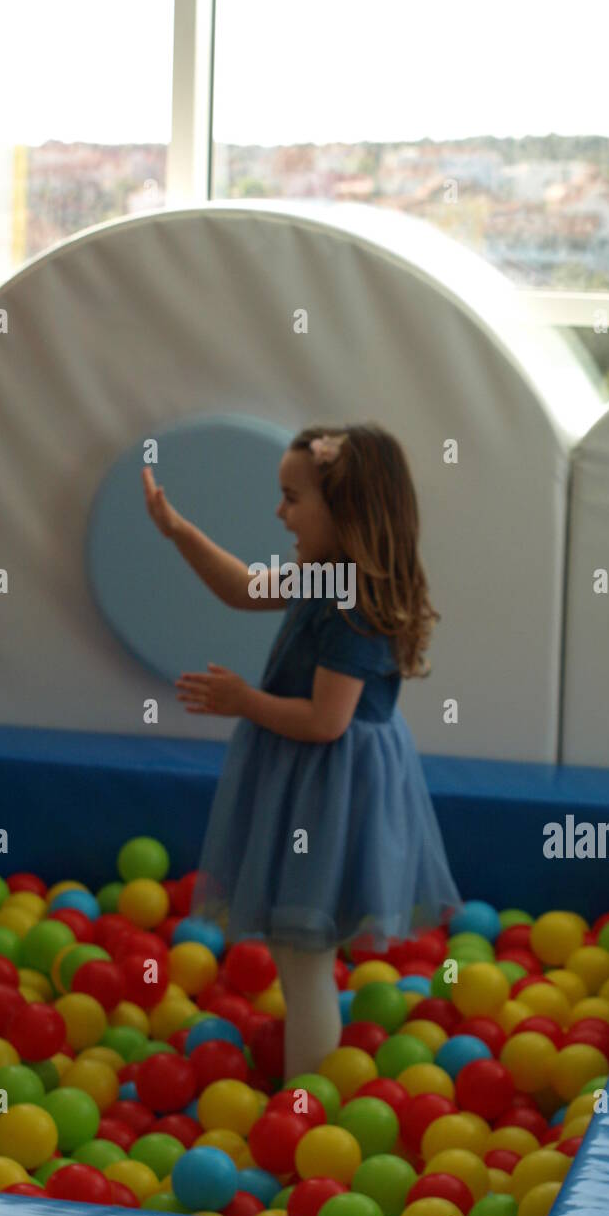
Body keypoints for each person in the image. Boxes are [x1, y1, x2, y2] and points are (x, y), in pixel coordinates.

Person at [143, 422, 460, 1078]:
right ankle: (311, 1084)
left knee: (300, 947)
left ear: (346, 511)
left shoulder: (353, 606)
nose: (278, 512)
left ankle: (307, 1103)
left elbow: (323, 722)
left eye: (292, 498)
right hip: (314, 776)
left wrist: (241, 701)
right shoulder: (327, 577)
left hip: (331, 786)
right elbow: (239, 587)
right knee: (301, 945)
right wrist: (178, 532)